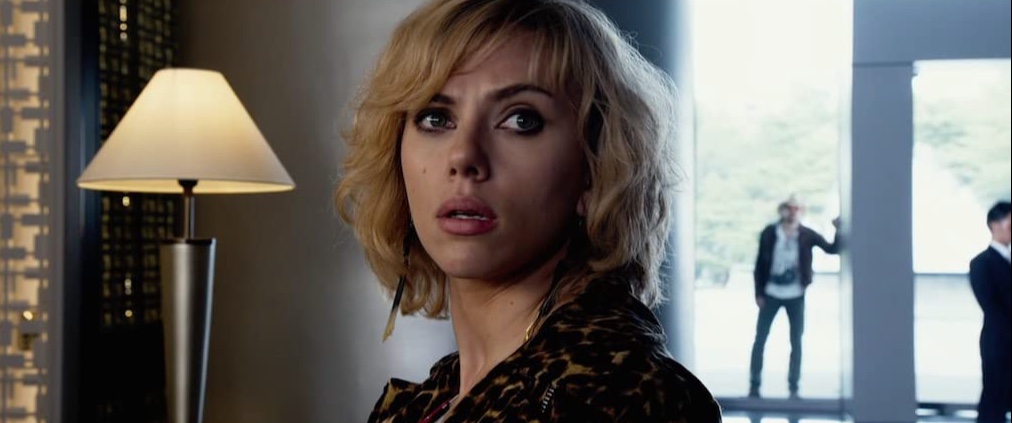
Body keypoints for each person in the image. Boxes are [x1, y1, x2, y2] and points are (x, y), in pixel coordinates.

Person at [336, 0, 721, 421]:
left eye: (521, 120)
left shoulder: (620, 395)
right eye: (436, 118)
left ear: (595, 169)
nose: (464, 156)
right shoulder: (423, 403)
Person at [748, 195, 841, 399]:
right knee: (760, 339)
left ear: (801, 212)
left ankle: (793, 387)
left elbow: (832, 249)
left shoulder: (807, 234)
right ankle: (754, 385)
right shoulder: (770, 233)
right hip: (771, 293)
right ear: (782, 210)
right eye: (789, 208)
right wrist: (759, 293)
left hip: (796, 294)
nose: (792, 212)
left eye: (796, 208)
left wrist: (838, 228)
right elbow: (759, 264)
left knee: (796, 340)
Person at [969, 201, 1011, 423]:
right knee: (995, 398)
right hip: (999, 342)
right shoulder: (981, 263)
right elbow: (991, 307)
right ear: (994, 224)